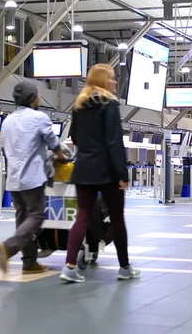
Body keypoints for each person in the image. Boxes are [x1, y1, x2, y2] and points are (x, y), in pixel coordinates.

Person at [59, 64, 140, 283]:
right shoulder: (110, 105)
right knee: (117, 219)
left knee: (82, 217)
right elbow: (114, 142)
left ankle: (69, 267)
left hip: (84, 169)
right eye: (112, 79)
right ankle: (124, 267)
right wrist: (122, 174)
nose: (115, 83)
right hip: (108, 172)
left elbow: (74, 137)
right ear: (104, 81)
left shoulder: (78, 105)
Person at [0, 81, 65, 274]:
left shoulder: (8, 120)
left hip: (13, 179)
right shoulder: (39, 117)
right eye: (38, 95)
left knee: (22, 216)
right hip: (32, 178)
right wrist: (60, 154)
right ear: (33, 98)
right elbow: (52, 141)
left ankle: (29, 262)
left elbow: (2, 147)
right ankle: (9, 247)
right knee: (36, 215)